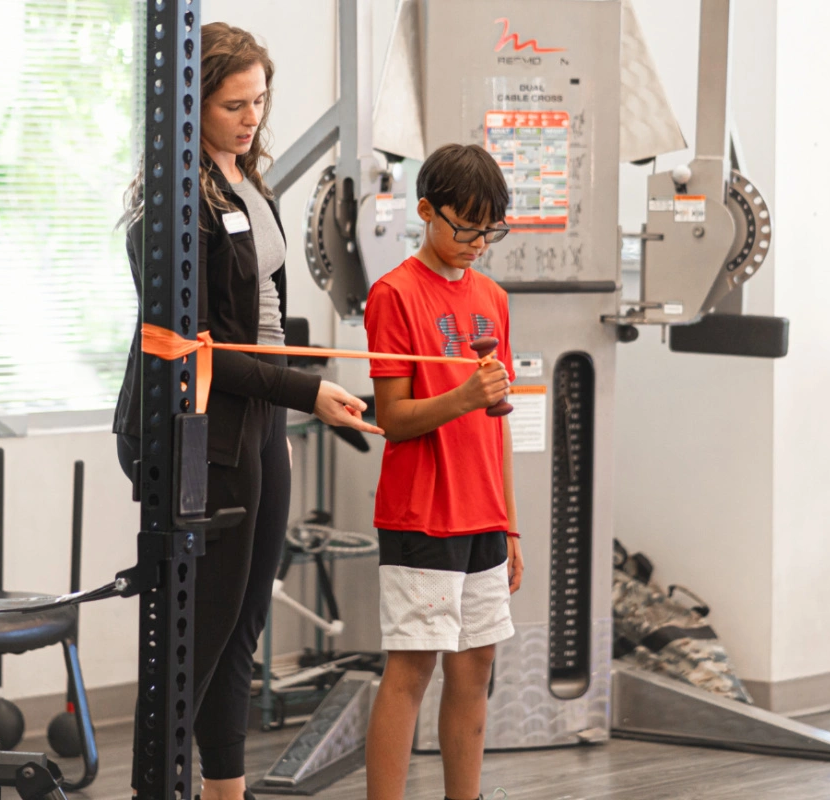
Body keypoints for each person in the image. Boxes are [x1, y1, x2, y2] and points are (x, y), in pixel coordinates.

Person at [112, 22, 383, 800]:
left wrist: (281, 421)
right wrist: (309, 394)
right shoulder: (174, 206)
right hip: (203, 433)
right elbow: (194, 350)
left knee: (241, 632)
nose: (251, 117)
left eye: (259, 100)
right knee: (195, 640)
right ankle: (155, 789)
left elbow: (264, 323)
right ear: (190, 105)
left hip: (257, 425)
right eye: (234, 104)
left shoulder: (248, 183)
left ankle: (226, 793)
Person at [362, 143, 524, 800]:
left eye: (490, 231)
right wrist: (463, 396)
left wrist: (510, 525)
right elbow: (393, 418)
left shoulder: (493, 298)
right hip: (423, 514)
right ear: (427, 211)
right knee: (411, 669)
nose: (478, 244)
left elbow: (498, 423)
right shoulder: (394, 295)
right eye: (466, 228)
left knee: (476, 665)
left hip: (483, 514)